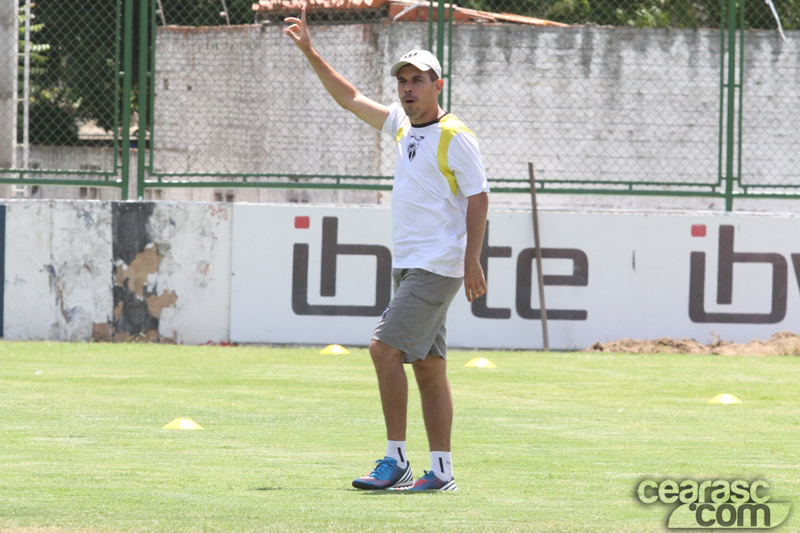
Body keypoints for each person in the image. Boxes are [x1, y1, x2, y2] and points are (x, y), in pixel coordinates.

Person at [285, 8, 489, 491]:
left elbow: (479, 197)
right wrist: (311, 52)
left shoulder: (455, 136)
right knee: (429, 368)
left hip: (436, 265)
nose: (407, 88)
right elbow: (351, 98)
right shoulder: (401, 124)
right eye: (402, 80)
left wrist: (471, 260)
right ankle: (442, 472)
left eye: (417, 80)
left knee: (383, 349)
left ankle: (395, 460)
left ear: (438, 85)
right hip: (412, 264)